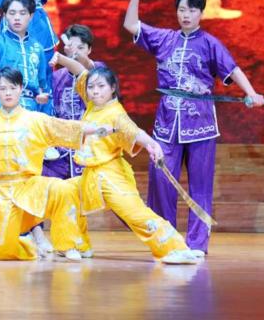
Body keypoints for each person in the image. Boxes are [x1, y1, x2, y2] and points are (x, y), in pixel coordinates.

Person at [124, 0, 264, 257]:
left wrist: (251, 94)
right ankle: (166, 240)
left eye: (191, 10)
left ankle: (197, 244)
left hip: (200, 123)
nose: (185, 14)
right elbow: (131, 25)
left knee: (200, 185)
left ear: (201, 13)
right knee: (161, 179)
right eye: (181, 9)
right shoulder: (164, 39)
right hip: (166, 122)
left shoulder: (210, 44)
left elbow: (232, 69)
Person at [66, 65, 200, 264]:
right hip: (90, 175)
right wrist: (62, 57)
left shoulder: (116, 114)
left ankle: (174, 248)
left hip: (109, 175)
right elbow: (80, 71)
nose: (95, 91)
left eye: (101, 86)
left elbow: (134, 132)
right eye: (91, 87)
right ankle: (77, 244)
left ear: (113, 88)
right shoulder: (92, 105)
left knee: (135, 213)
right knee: (66, 194)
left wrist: (152, 144)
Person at [0, 67, 109, 261]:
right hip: (0, 191)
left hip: (29, 185)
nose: (8, 93)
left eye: (12, 88)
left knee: (63, 189)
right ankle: (29, 246)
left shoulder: (35, 119)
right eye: (3, 88)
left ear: (21, 88)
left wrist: (98, 129)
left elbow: (66, 128)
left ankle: (67, 244)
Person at [44, 24, 105, 180]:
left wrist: (76, 56)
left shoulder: (99, 72)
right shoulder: (56, 78)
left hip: (90, 149)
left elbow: (89, 68)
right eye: (72, 47)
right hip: (61, 154)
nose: (75, 51)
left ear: (89, 50)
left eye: (81, 47)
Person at [0, 0, 53, 115]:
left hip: (30, 106)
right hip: (0, 105)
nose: (17, 18)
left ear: (31, 16)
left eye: (22, 13)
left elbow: (42, 83)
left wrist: (42, 98)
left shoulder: (37, 48)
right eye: (12, 13)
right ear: (5, 16)